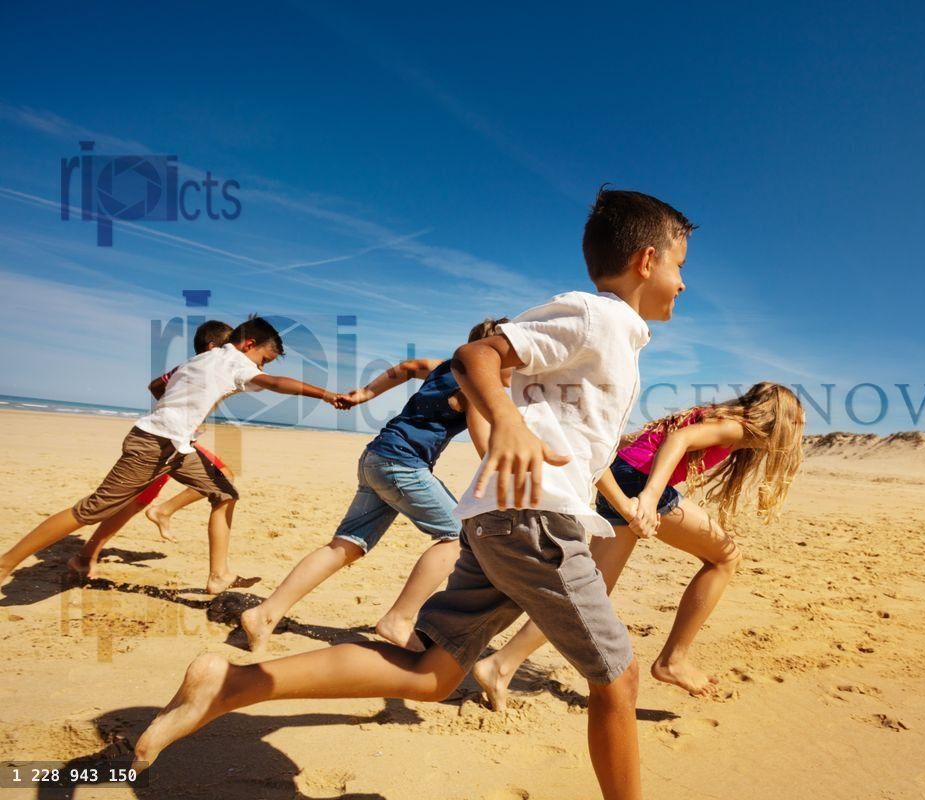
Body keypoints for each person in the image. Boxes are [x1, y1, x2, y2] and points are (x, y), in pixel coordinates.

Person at [134, 188, 694, 800]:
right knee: (619, 677)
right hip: (534, 520)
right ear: (645, 260)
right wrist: (504, 420)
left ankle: (233, 686)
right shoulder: (596, 315)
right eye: (679, 266)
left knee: (430, 674)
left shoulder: (617, 336)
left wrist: (608, 501)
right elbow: (475, 353)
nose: (683, 284)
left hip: (508, 519)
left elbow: (579, 442)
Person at [474, 383, 805, 709]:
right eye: (797, 424)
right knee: (725, 559)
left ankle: (500, 666)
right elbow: (680, 438)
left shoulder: (728, 427)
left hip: (624, 476)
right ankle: (673, 661)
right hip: (638, 483)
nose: (799, 433)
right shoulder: (733, 428)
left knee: (591, 593)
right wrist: (648, 497)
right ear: (779, 418)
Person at [0, 316, 350, 595]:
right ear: (248, 345)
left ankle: (219, 576)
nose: (262, 369)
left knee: (224, 492)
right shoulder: (234, 361)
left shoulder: (198, 361)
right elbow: (276, 384)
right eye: (263, 359)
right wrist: (326, 394)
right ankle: (6, 563)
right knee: (93, 509)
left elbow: (157, 385)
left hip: (177, 446)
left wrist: (176, 410)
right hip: (153, 443)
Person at [240, 317, 511, 653]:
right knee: (457, 536)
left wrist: (364, 394)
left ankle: (265, 614)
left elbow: (409, 367)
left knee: (346, 544)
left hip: (376, 457)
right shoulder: (474, 387)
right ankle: (399, 619)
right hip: (403, 464)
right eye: (513, 356)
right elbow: (485, 446)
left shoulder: (442, 367)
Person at [66, 320, 238, 580]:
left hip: (180, 440)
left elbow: (155, 385)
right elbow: (157, 386)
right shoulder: (198, 368)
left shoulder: (203, 369)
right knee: (134, 501)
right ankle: (91, 552)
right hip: (166, 440)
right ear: (212, 347)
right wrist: (176, 412)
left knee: (219, 479)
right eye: (228, 347)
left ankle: (90, 552)